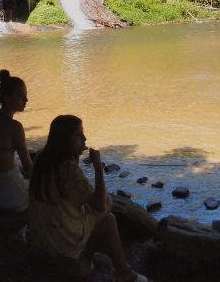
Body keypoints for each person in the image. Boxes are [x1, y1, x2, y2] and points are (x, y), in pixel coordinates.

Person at [28, 115, 147, 282]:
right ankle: (123, 273)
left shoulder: (42, 157)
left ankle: (88, 256)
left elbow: (70, 194)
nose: (84, 138)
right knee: (108, 217)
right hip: (61, 243)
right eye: (78, 135)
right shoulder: (67, 168)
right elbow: (99, 204)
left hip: (42, 236)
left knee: (90, 208)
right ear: (64, 139)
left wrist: (75, 155)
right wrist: (98, 167)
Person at [0, 70, 33, 211]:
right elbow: (28, 168)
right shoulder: (15, 127)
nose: (26, 100)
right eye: (21, 96)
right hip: (10, 194)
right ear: (7, 98)